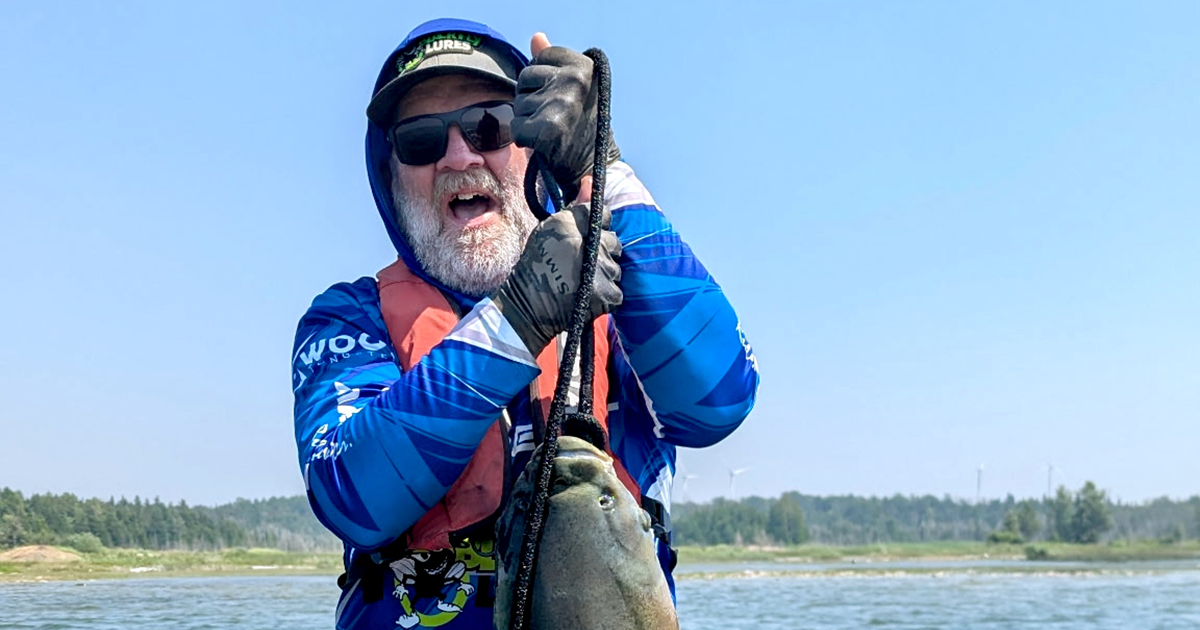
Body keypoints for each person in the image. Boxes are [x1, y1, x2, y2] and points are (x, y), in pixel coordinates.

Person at [291, 18, 759, 630]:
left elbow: (718, 401)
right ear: (390, 174)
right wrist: (517, 320)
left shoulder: (625, 296)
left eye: (491, 125)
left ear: (532, 147)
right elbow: (348, 490)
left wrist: (602, 167)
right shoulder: (350, 318)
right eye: (420, 141)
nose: (459, 157)